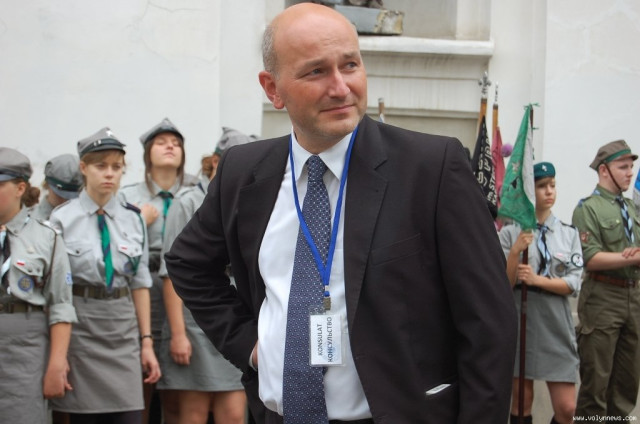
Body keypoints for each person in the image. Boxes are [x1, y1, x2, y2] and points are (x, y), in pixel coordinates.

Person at [165, 4, 517, 423]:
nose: (340, 87)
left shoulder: (431, 167)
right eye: (316, 71)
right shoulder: (243, 172)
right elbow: (188, 263)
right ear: (273, 88)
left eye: (350, 65)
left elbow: (489, 322)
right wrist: (250, 346)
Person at [49, 127, 161, 423]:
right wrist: (58, 355)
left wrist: (146, 342)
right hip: (80, 328)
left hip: (122, 329)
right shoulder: (62, 219)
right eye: (101, 166)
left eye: (117, 166)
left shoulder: (133, 218)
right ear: (83, 168)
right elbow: (56, 289)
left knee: (130, 417)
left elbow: (140, 283)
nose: (110, 174)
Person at [156, 128, 255, 424]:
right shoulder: (187, 201)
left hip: (235, 315)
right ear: (215, 162)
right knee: (193, 414)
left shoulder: (249, 199)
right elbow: (172, 273)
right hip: (195, 319)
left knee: (234, 414)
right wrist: (178, 335)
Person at [118, 117, 192, 423]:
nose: (170, 147)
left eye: (176, 143)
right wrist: (139, 222)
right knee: (140, 383)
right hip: (142, 291)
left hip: (183, 293)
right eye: (162, 143)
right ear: (148, 153)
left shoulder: (195, 193)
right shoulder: (127, 197)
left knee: (177, 385)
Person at [498, 162, 583, 424]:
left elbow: (573, 282)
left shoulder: (568, 234)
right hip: (522, 317)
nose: (549, 191)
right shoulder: (510, 233)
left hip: (556, 321)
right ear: (529, 191)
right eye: (542, 186)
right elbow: (502, 284)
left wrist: (537, 280)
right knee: (521, 401)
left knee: (567, 408)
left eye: (552, 185)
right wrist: (515, 251)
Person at [0, 148, 77, 424]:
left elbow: (61, 305)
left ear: (20, 188)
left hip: (25, 349)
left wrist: (56, 364)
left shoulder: (46, 237)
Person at [572, 139, 640, 418]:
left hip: (634, 297)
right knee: (596, 386)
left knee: (626, 386)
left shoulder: (633, 208)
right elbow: (590, 258)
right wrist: (631, 257)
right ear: (604, 170)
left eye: (631, 167)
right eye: (623, 167)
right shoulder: (588, 208)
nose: (629, 173)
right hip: (602, 297)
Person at [32, 153, 83, 221]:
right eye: (59, 195)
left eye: (73, 197)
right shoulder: (30, 220)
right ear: (47, 185)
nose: (66, 201)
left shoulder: (86, 220)